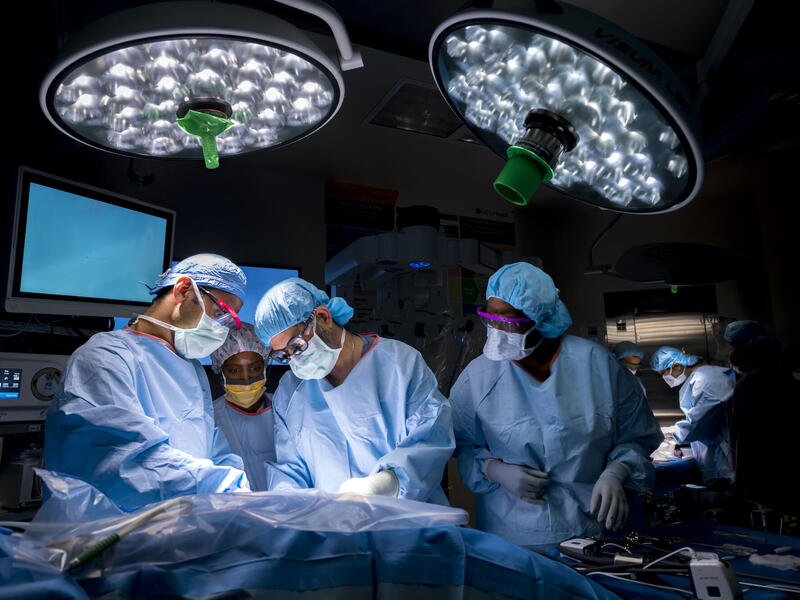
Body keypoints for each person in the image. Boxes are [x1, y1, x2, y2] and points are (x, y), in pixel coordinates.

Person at [450, 263, 662, 547]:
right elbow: (461, 445)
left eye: (510, 322)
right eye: (490, 318)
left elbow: (638, 436)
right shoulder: (476, 378)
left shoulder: (596, 364)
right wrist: (492, 469)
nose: (498, 331)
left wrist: (618, 470)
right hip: (513, 535)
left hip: (592, 529)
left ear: (541, 318)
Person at [45, 254, 251, 510]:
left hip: (174, 527)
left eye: (229, 322)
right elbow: (126, 465)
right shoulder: (105, 357)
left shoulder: (192, 370)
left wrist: (239, 494)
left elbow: (211, 449)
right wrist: (223, 486)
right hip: (109, 535)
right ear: (183, 289)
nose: (222, 328)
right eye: (221, 312)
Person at [254, 278, 454, 504]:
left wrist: (383, 485)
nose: (295, 361)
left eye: (297, 345)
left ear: (323, 317)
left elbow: (430, 439)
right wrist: (290, 509)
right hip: (334, 530)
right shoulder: (291, 392)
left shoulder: (400, 364)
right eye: (284, 355)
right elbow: (290, 469)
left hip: (404, 523)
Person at [723, 321, 800, 510]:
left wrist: (740, 483)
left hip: (766, 478)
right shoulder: (782, 374)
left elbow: (744, 439)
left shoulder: (751, 383)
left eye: (732, 347)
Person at [651, 346, 735, 483]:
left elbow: (700, 423)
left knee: (725, 491)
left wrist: (669, 433)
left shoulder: (705, 380)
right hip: (713, 451)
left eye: (663, 373)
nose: (664, 378)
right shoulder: (699, 378)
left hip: (724, 456)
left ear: (676, 366)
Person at [210, 322, 276, 491]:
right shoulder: (210, 419)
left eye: (254, 368)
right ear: (221, 372)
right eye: (234, 371)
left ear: (265, 368)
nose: (246, 379)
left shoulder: (285, 409)